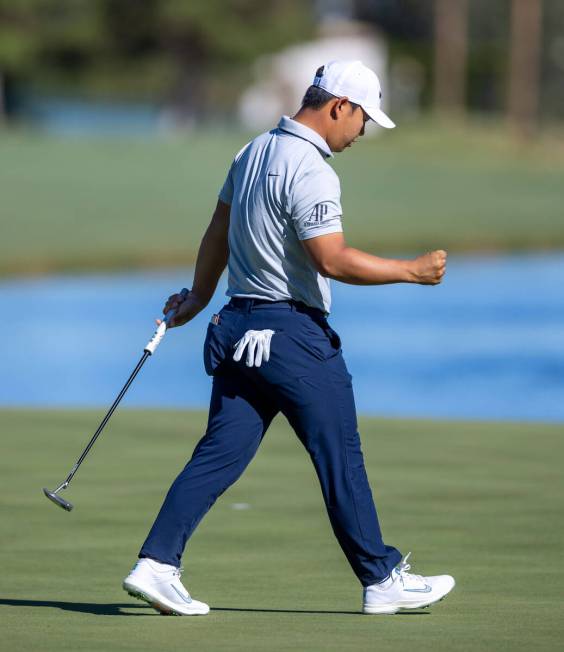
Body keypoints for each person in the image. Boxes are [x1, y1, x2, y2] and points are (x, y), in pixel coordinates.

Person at [123, 60, 455, 616]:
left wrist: (198, 298)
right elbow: (331, 258)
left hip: (235, 329)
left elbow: (217, 229)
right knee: (339, 453)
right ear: (338, 107)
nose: (364, 131)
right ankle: (381, 579)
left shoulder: (251, 151)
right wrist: (411, 271)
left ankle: (155, 565)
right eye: (364, 118)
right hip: (291, 336)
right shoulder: (312, 168)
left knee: (220, 454)